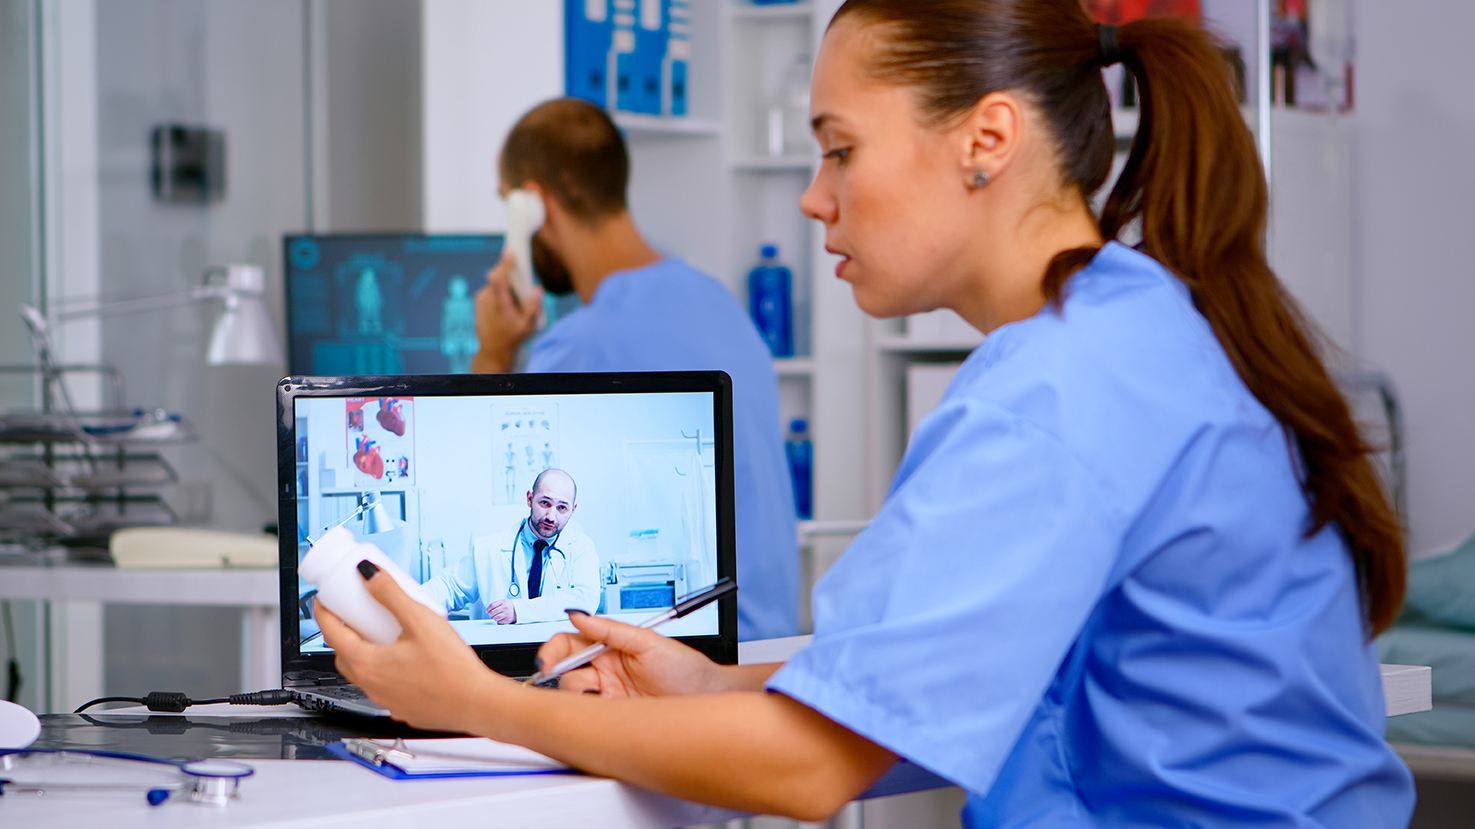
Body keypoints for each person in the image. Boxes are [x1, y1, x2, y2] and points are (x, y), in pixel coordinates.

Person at [317, 2, 1414, 825]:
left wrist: (472, 697)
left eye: (840, 147)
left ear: (986, 140)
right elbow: (975, 686)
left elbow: (808, 768)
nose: (813, 194)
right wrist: (714, 682)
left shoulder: (1056, 389)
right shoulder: (1132, 329)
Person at [471, 98, 799, 642]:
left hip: (687, 671)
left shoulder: (581, 345)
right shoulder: (720, 304)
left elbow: (499, 487)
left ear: (531, 205)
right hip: (770, 651)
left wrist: (495, 355)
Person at [421, 468, 599, 625]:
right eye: (545, 503)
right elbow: (449, 588)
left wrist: (519, 611)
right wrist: (406, 603)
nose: (551, 516)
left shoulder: (581, 548)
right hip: (499, 653)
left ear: (573, 510)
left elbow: (585, 600)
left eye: (562, 508)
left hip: (557, 653)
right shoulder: (488, 548)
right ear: (530, 499)